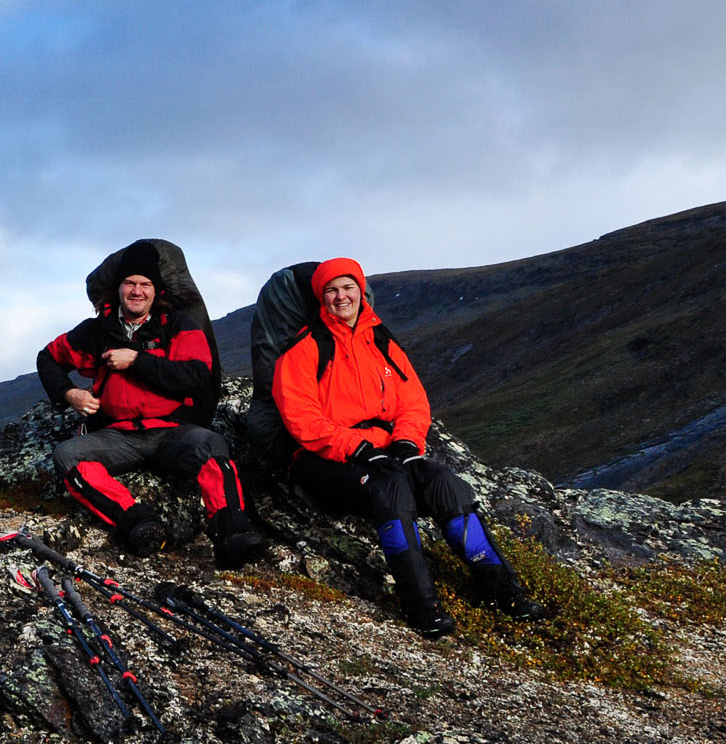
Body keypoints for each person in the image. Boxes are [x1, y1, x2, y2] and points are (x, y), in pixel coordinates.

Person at [271, 256, 547, 637]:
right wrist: (357, 448)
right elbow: (301, 418)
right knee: (391, 488)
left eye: (348, 287)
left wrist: (406, 442)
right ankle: (420, 604)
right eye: (332, 290)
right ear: (321, 297)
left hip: (385, 448)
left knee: (441, 480)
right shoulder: (304, 348)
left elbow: (413, 401)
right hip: (322, 459)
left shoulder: (381, 340)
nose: (341, 297)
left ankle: (501, 589)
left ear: (361, 290)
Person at [38, 241, 268, 569]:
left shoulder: (178, 325)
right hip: (117, 435)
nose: (137, 291)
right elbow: (48, 357)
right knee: (68, 455)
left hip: (172, 431)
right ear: (118, 288)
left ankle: (232, 532)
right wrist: (68, 394)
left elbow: (195, 376)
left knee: (211, 446)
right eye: (130, 283)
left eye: (145, 285)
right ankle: (137, 521)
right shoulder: (96, 332)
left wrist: (136, 361)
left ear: (156, 291)